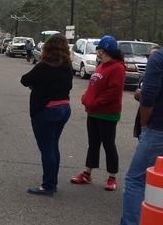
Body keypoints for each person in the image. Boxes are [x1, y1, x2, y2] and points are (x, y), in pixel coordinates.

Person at [96, 46, 163, 225]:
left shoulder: (158, 57)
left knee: (135, 179)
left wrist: (144, 124)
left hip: (158, 127)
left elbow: (148, 95)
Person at [20, 34, 73, 195]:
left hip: (46, 110)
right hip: (64, 108)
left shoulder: (44, 66)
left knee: (47, 149)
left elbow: (25, 80)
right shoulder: (67, 66)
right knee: (53, 146)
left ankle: (49, 185)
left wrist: (37, 86)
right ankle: (52, 181)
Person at [70, 35, 126, 191]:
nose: (97, 52)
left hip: (108, 113)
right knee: (93, 144)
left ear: (105, 49)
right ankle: (87, 173)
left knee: (109, 144)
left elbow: (113, 92)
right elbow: (93, 86)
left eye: (99, 49)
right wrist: (86, 97)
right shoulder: (101, 66)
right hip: (93, 112)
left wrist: (94, 102)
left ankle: (112, 176)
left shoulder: (117, 68)